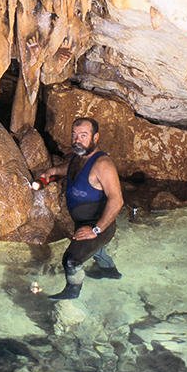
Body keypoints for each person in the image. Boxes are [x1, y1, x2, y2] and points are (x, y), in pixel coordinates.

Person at [32, 117, 124, 300]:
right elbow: (66, 169)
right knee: (97, 251)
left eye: (83, 135)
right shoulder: (78, 158)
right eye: (74, 135)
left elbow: (117, 200)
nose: (77, 140)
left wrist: (96, 230)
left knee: (71, 260)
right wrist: (51, 173)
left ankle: (72, 292)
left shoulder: (102, 165)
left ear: (95, 137)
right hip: (83, 222)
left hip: (98, 225)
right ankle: (110, 272)